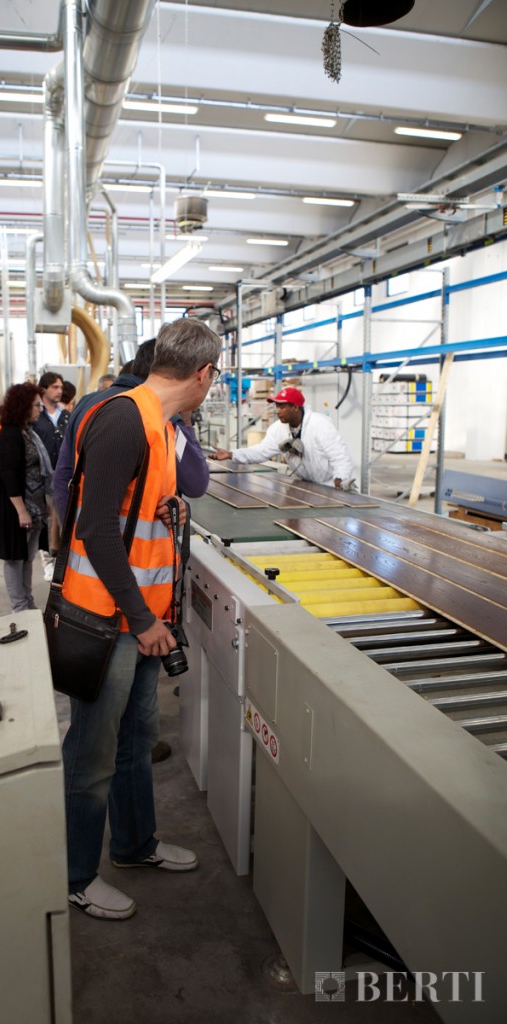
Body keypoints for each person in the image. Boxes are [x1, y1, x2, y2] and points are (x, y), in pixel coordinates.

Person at [63, 317, 221, 921]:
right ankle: (78, 875)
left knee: (135, 740)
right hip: (108, 619)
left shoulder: (157, 423)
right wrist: (141, 619)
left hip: (143, 618)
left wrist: (169, 506)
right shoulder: (125, 418)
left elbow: (126, 513)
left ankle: (134, 845)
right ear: (203, 374)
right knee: (93, 750)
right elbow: (94, 530)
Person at [54, 338, 210, 520]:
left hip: (80, 538)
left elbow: (63, 475)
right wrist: (186, 420)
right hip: (133, 545)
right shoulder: (165, 417)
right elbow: (196, 483)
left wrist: (70, 530)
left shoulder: (86, 404)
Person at [0, 382, 53, 612]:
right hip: (15, 507)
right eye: (36, 405)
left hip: (33, 506)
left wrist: (41, 504)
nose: (40, 409)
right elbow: (8, 473)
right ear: (23, 406)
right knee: (15, 558)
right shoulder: (9, 433)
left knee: (27, 557)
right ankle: (19, 606)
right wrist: (21, 510)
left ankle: (27, 601)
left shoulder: (27, 431)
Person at [213, 385, 356, 490]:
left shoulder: (320, 425)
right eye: (277, 407)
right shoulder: (278, 428)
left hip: (329, 486)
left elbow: (340, 457)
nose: (278, 411)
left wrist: (340, 480)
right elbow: (261, 451)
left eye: (282, 407)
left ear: (295, 407)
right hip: (306, 485)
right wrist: (232, 454)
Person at [34, 372, 69, 580]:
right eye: (55, 387)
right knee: (46, 521)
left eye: (61, 387)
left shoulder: (65, 415)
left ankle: (61, 560)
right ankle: (47, 561)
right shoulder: (36, 416)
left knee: (62, 519)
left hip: (63, 476)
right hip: (43, 477)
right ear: (44, 389)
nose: (59, 391)